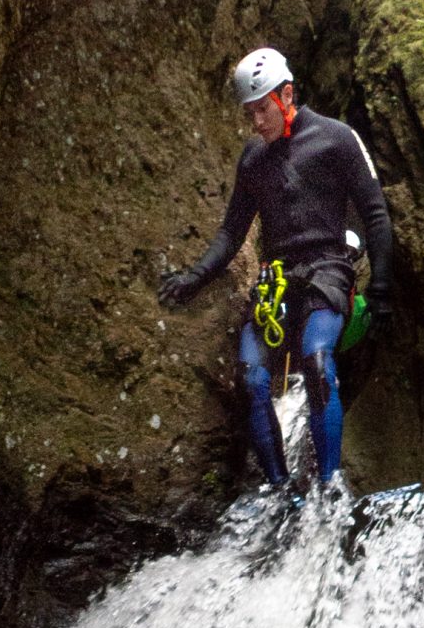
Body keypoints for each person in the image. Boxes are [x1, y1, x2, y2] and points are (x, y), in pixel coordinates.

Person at [158, 47, 392, 488]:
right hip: (277, 282)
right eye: (249, 113)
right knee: (251, 378)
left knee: (318, 363)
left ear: (286, 94)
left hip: (327, 271)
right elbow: (232, 232)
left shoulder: (336, 138)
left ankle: (328, 489)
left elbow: (375, 214)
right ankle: (280, 490)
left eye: (262, 109)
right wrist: (194, 277)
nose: (256, 121)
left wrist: (380, 289)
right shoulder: (254, 159)